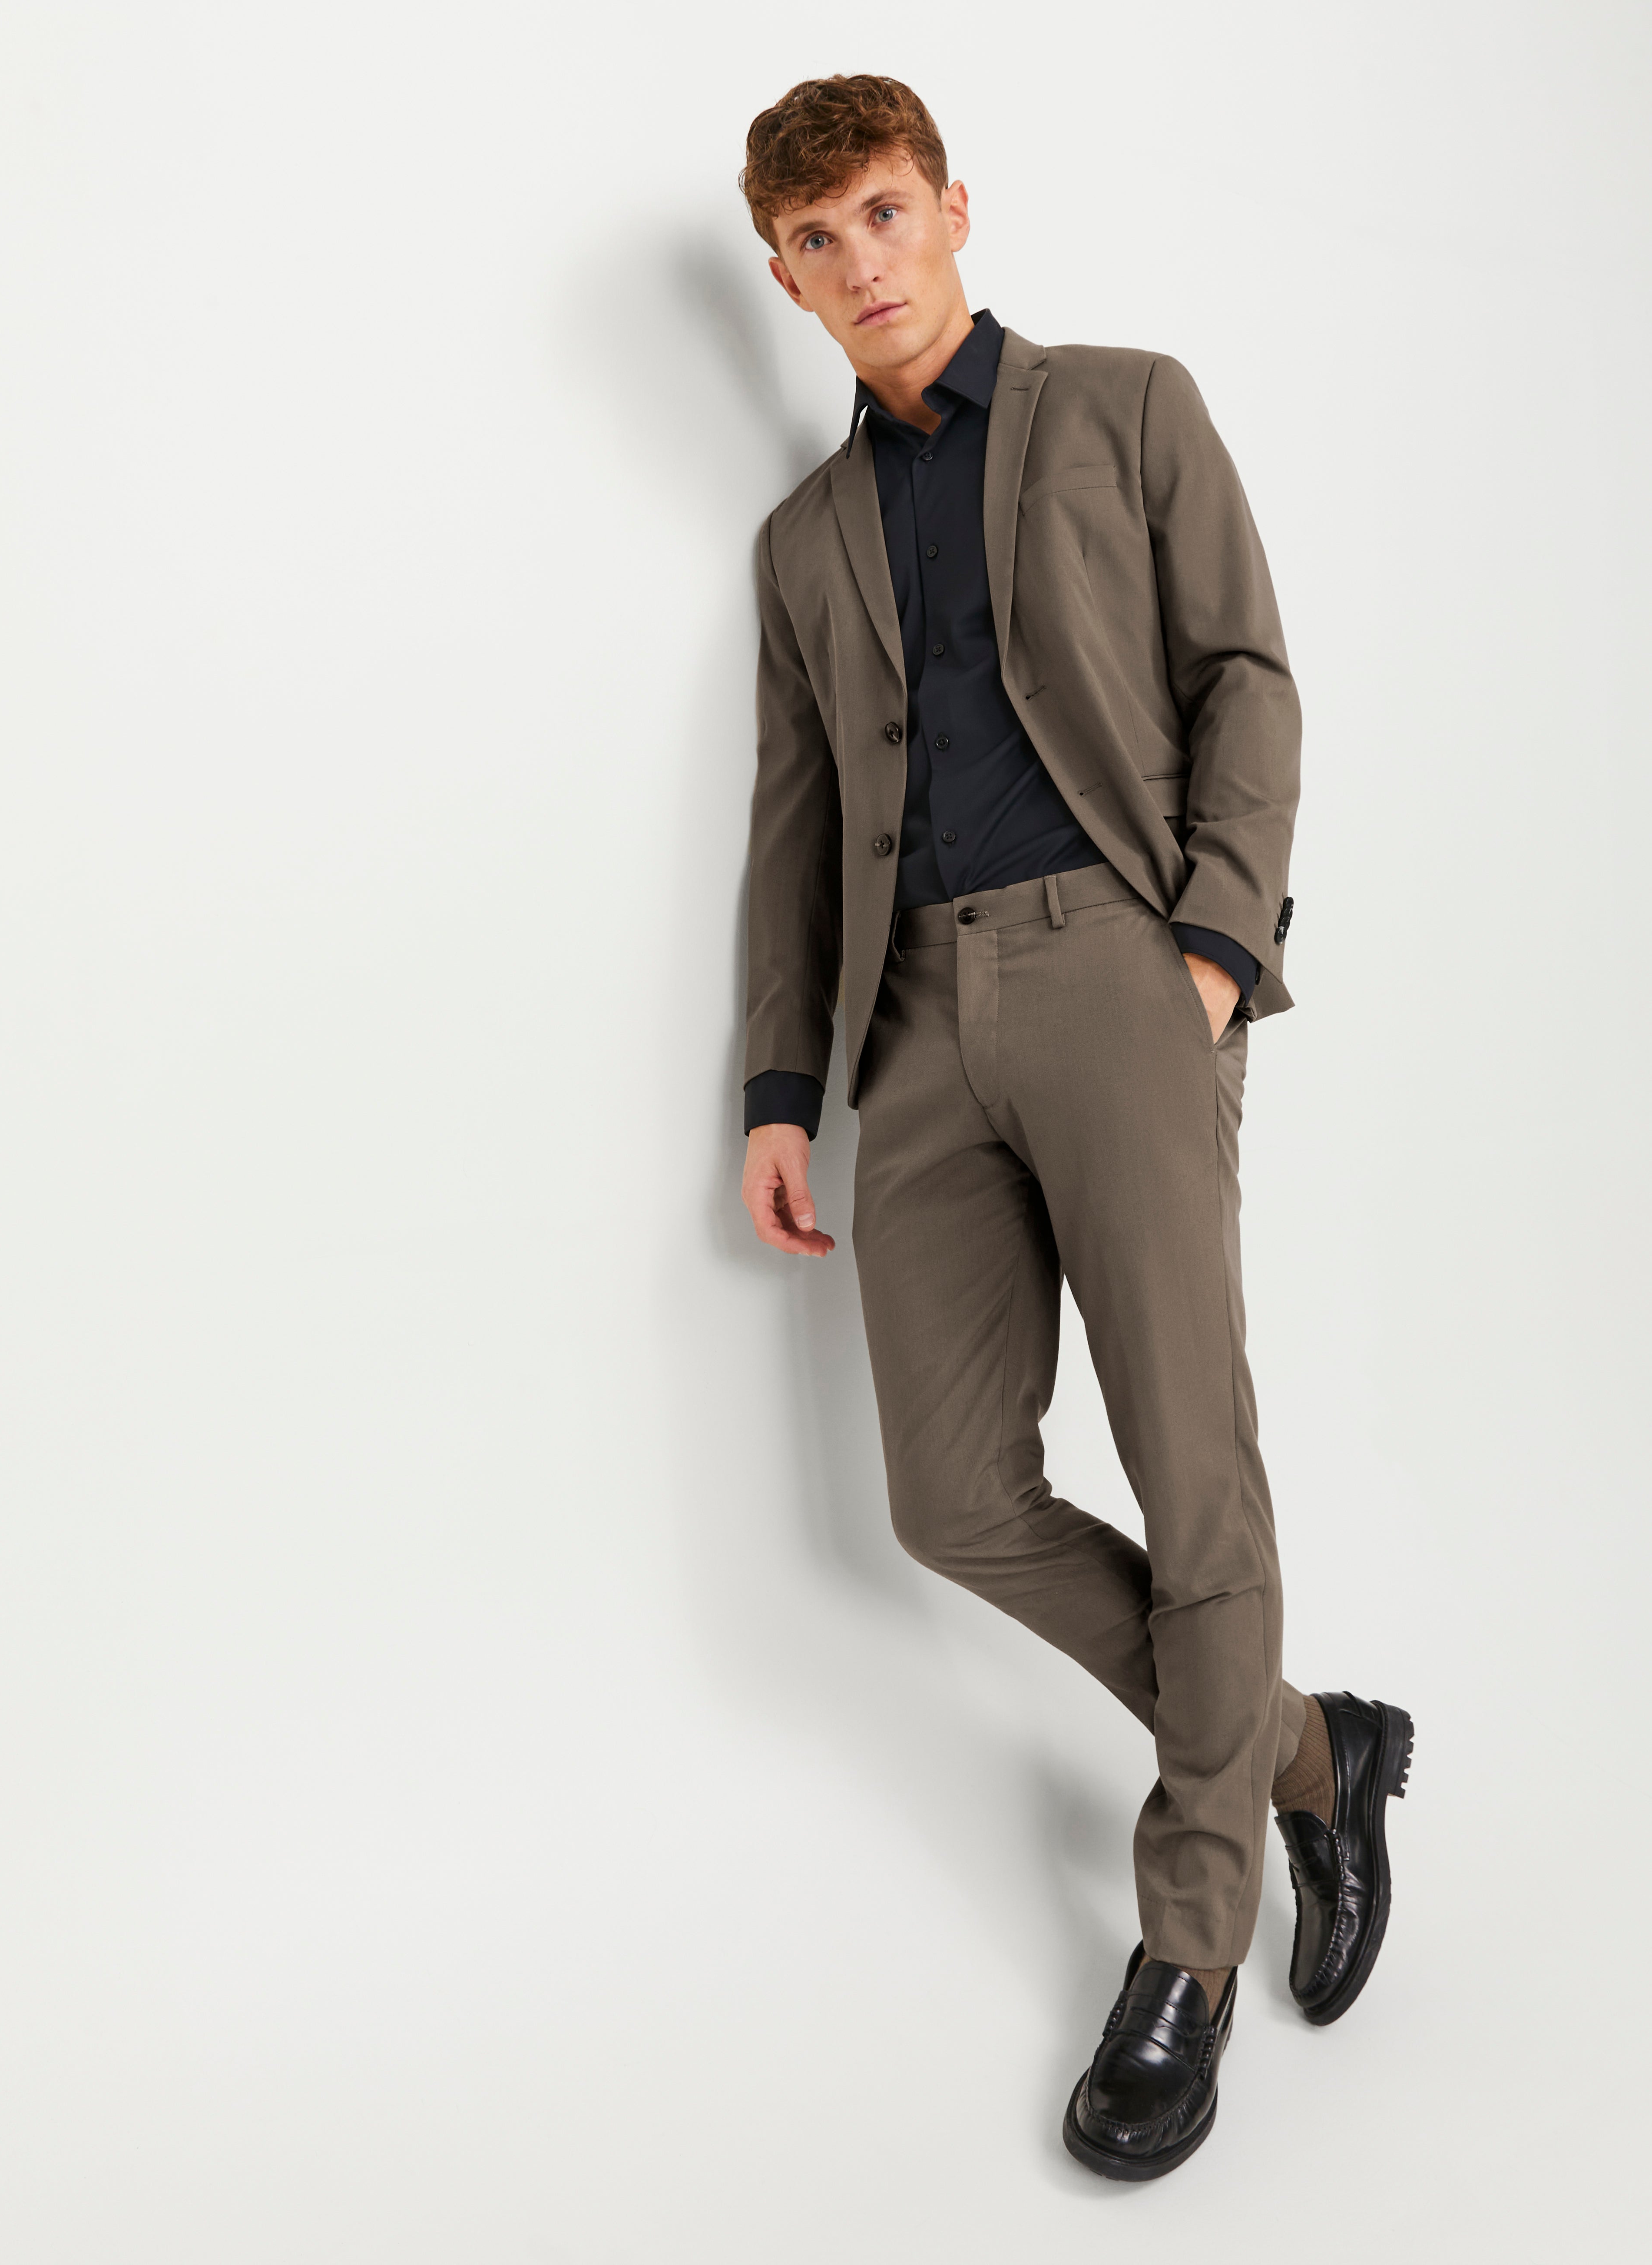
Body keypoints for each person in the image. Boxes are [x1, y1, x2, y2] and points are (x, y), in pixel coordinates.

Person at [734, 74, 1410, 2180]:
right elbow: (793, 830)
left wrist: (1209, 947)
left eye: (882, 212)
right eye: (817, 240)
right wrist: (781, 1087)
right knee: (949, 1494)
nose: (861, 263)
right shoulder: (802, 540)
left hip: (1121, 966)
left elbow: (1246, 675)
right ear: (783, 276)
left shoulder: (1128, 407)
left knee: (1196, 1472)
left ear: (952, 205)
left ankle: (1186, 1943)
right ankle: (1311, 1748)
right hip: (916, 1026)